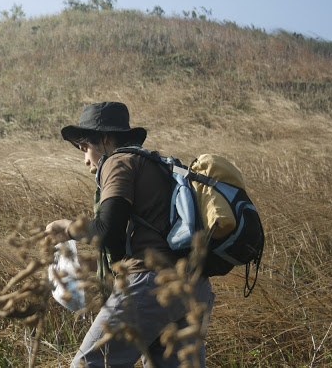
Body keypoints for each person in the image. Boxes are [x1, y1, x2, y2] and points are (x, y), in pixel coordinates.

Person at [46, 101, 215, 367]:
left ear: (105, 138)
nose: (86, 159)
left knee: (89, 364)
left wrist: (66, 228)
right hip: (194, 287)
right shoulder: (158, 166)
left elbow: (107, 231)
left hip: (152, 286)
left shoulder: (118, 161)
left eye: (85, 147)